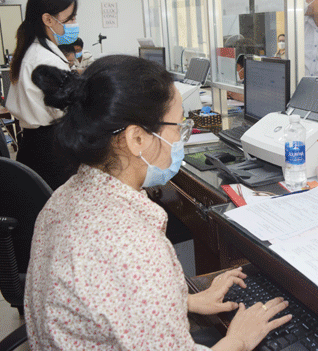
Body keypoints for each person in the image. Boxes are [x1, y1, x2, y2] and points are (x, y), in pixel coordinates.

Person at [25, 55, 291, 350]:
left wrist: (185, 300)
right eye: (178, 126)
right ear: (136, 138)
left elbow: (110, 298)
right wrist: (239, 340)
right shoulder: (134, 245)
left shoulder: (67, 196)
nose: (181, 139)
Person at [5, 0, 78, 190]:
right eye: (71, 18)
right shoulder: (45, 59)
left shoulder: (35, 50)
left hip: (36, 144)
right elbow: (63, 109)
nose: (75, 23)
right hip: (50, 151)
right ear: (48, 19)